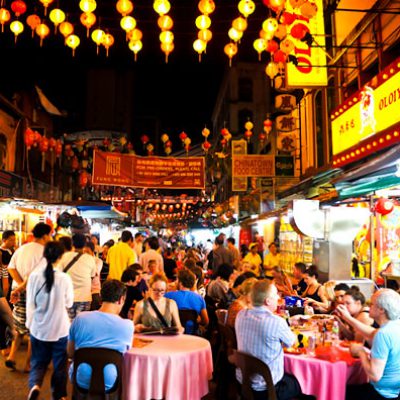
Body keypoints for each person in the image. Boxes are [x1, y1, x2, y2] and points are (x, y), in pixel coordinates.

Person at [235, 280, 302, 400]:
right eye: (276, 294)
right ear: (268, 301)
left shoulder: (241, 315)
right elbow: (293, 343)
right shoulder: (276, 322)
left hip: (243, 382)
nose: (278, 297)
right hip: (268, 389)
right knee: (302, 383)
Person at [26, 241, 74, 400]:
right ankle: (59, 395)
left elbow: (30, 302)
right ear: (61, 257)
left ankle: (35, 385)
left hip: (39, 328)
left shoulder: (34, 276)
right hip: (60, 328)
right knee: (59, 365)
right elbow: (69, 303)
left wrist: (29, 324)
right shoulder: (64, 278)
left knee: (38, 362)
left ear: (44, 255)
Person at [68, 280, 134, 392]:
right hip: (109, 381)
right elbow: (126, 357)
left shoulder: (80, 318)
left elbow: (70, 352)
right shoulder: (127, 325)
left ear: (100, 296)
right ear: (121, 299)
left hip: (80, 378)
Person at [337, 289, 400, 400]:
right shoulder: (394, 325)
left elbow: (374, 375)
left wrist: (361, 352)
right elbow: (371, 333)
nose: (368, 306)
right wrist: (348, 318)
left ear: (381, 309)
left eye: (371, 304)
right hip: (395, 391)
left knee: (337, 390)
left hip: (380, 394)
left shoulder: (383, 334)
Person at [6, 222, 52, 371]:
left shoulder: (21, 249)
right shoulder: (46, 252)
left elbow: (10, 268)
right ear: (45, 235)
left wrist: (20, 286)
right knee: (34, 329)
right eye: (50, 235)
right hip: (37, 293)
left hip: (19, 293)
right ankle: (28, 364)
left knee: (19, 325)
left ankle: (12, 356)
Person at [58, 234, 96, 320]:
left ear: (72, 244)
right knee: (81, 324)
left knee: (69, 323)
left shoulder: (64, 257)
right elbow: (92, 276)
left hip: (67, 296)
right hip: (84, 296)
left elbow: (58, 274)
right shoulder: (90, 259)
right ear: (84, 244)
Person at [164, 269, 208, 334]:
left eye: (177, 279)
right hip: (192, 335)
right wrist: (196, 320)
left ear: (180, 282)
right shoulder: (199, 298)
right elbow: (205, 322)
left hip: (171, 334)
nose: (175, 282)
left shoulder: (167, 296)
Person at [84, 241, 103, 311]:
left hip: (95, 290)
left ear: (92, 252)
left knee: (94, 303)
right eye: (84, 252)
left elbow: (94, 273)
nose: (85, 254)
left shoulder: (98, 261)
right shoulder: (82, 261)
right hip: (85, 290)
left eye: (87, 252)